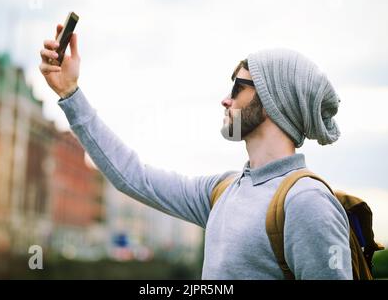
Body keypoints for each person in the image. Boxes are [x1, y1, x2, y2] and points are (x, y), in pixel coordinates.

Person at [39, 24, 352, 279]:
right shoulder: (223, 191)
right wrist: (70, 93)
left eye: (238, 88)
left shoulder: (307, 203)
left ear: (273, 101)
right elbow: (133, 177)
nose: (225, 100)